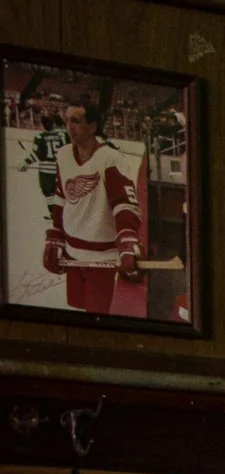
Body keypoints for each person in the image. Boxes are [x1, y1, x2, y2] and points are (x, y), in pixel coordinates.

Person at [33, 96, 146, 316]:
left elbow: (125, 203)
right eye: (67, 121)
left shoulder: (110, 158)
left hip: (100, 258)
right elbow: (60, 196)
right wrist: (55, 235)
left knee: (96, 318)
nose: (70, 127)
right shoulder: (63, 154)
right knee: (78, 313)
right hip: (73, 254)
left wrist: (128, 240)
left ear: (93, 126)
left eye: (76, 121)